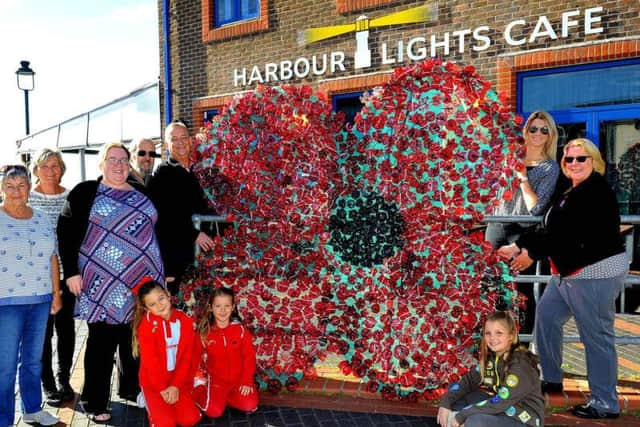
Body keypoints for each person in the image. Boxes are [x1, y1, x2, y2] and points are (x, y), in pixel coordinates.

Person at [498, 138, 628, 419]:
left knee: (596, 338)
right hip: (567, 273)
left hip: (594, 273)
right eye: (569, 159)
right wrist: (520, 245)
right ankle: (552, 377)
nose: (574, 164)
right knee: (546, 318)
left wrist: (530, 253)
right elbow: (549, 224)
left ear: (594, 162)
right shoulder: (571, 190)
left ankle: (605, 404)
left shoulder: (596, 192)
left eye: (581, 159)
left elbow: (568, 235)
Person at [57, 142, 165, 423]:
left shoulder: (141, 192)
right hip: (99, 281)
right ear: (101, 164)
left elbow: (158, 229)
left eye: (123, 160)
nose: (118, 165)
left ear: (129, 165)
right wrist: (71, 272)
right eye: (112, 159)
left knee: (134, 338)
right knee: (101, 342)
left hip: (140, 281)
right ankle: (94, 400)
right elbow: (66, 232)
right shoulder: (85, 192)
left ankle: (131, 390)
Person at [486, 111, 560, 333]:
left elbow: (536, 208)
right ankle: (493, 347)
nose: (538, 133)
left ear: (550, 136)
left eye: (544, 130)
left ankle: (524, 353)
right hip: (497, 226)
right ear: (526, 130)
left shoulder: (550, 168)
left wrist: (522, 177)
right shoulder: (508, 158)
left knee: (525, 294)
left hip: (524, 232)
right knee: (491, 289)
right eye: (533, 128)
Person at [0, 165, 60, 426]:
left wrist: (56, 293)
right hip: (6, 303)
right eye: (10, 186)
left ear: (28, 187)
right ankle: (3, 418)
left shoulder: (42, 218)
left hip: (40, 299)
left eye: (21, 185)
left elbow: (53, 258)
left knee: (34, 361)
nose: (16, 191)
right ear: (2, 189)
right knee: (5, 366)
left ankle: (33, 409)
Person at [437, 311, 544, 427]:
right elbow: (468, 382)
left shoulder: (520, 365)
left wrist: (463, 415)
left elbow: (502, 401)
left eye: (499, 333)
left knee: (475, 421)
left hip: (523, 420)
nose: (493, 338)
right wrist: (445, 403)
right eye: (488, 333)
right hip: (503, 410)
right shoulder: (493, 358)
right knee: (458, 398)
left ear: (511, 335)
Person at [28, 149, 76, 404]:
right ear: (36, 169)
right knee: (42, 333)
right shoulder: (27, 198)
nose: (50, 170)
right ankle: (47, 382)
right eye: (44, 166)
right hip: (37, 277)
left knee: (66, 330)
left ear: (62, 169)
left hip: (66, 275)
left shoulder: (70, 197)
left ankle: (64, 378)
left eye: (55, 165)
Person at [147, 121, 214, 294]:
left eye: (184, 137)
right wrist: (194, 234)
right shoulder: (162, 174)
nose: (180, 142)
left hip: (204, 254)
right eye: (174, 139)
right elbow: (164, 216)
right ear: (167, 145)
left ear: (191, 141)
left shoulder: (200, 170)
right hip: (177, 257)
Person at [132, 278, 201, 427]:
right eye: (152, 304)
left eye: (161, 298)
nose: (159, 305)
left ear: (168, 295)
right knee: (166, 424)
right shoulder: (146, 327)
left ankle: (176, 399)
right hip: (155, 383)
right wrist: (163, 389)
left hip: (177, 379)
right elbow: (151, 364)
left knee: (190, 419)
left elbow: (186, 357)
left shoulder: (184, 321)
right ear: (146, 308)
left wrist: (176, 385)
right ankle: (148, 398)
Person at [195, 287, 258, 418]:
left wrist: (246, 380)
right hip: (216, 383)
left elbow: (249, 357)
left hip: (238, 381)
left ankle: (225, 399)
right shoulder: (205, 333)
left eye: (227, 306)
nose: (222, 310)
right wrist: (199, 380)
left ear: (233, 307)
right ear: (211, 307)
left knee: (250, 405)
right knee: (214, 412)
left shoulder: (240, 331)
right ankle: (196, 393)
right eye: (218, 306)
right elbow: (196, 358)